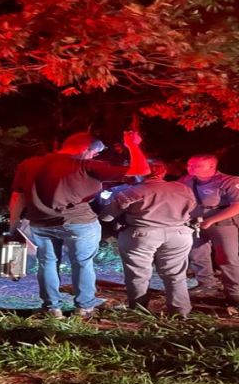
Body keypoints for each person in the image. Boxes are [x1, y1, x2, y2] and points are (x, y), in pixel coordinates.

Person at [9, 131, 149, 318]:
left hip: (40, 223)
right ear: (86, 148)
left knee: (47, 264)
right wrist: (133, 144)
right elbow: (141, 170)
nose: (94, 156)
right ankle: (84, 308)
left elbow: (18, 195)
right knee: (82, 264)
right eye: (95, 152)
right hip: (80, 223)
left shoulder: (29, 164)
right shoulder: (86, 165)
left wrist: (14, 222)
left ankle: (52, 308)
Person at [99, 160, 196, 317]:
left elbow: (107, 216)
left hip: (142, 235)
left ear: (139, 172)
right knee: (175, 274)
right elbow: (193, 209)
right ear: (164, 172)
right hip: (179, 235)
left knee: (138, 275)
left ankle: (140, 311)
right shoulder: (182, 188)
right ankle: (180, 312)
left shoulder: (133, 191)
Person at [178, 154, 239, 308]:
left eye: (196, 165)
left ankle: (233, 293)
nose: (190, 168)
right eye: (189, 165)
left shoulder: (230, 182)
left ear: (211, 166)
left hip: (223, 224)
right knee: (197, 255)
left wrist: (211, 220)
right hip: (195, 223)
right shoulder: (186, 180)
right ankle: (206, 284)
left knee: (228, 258)